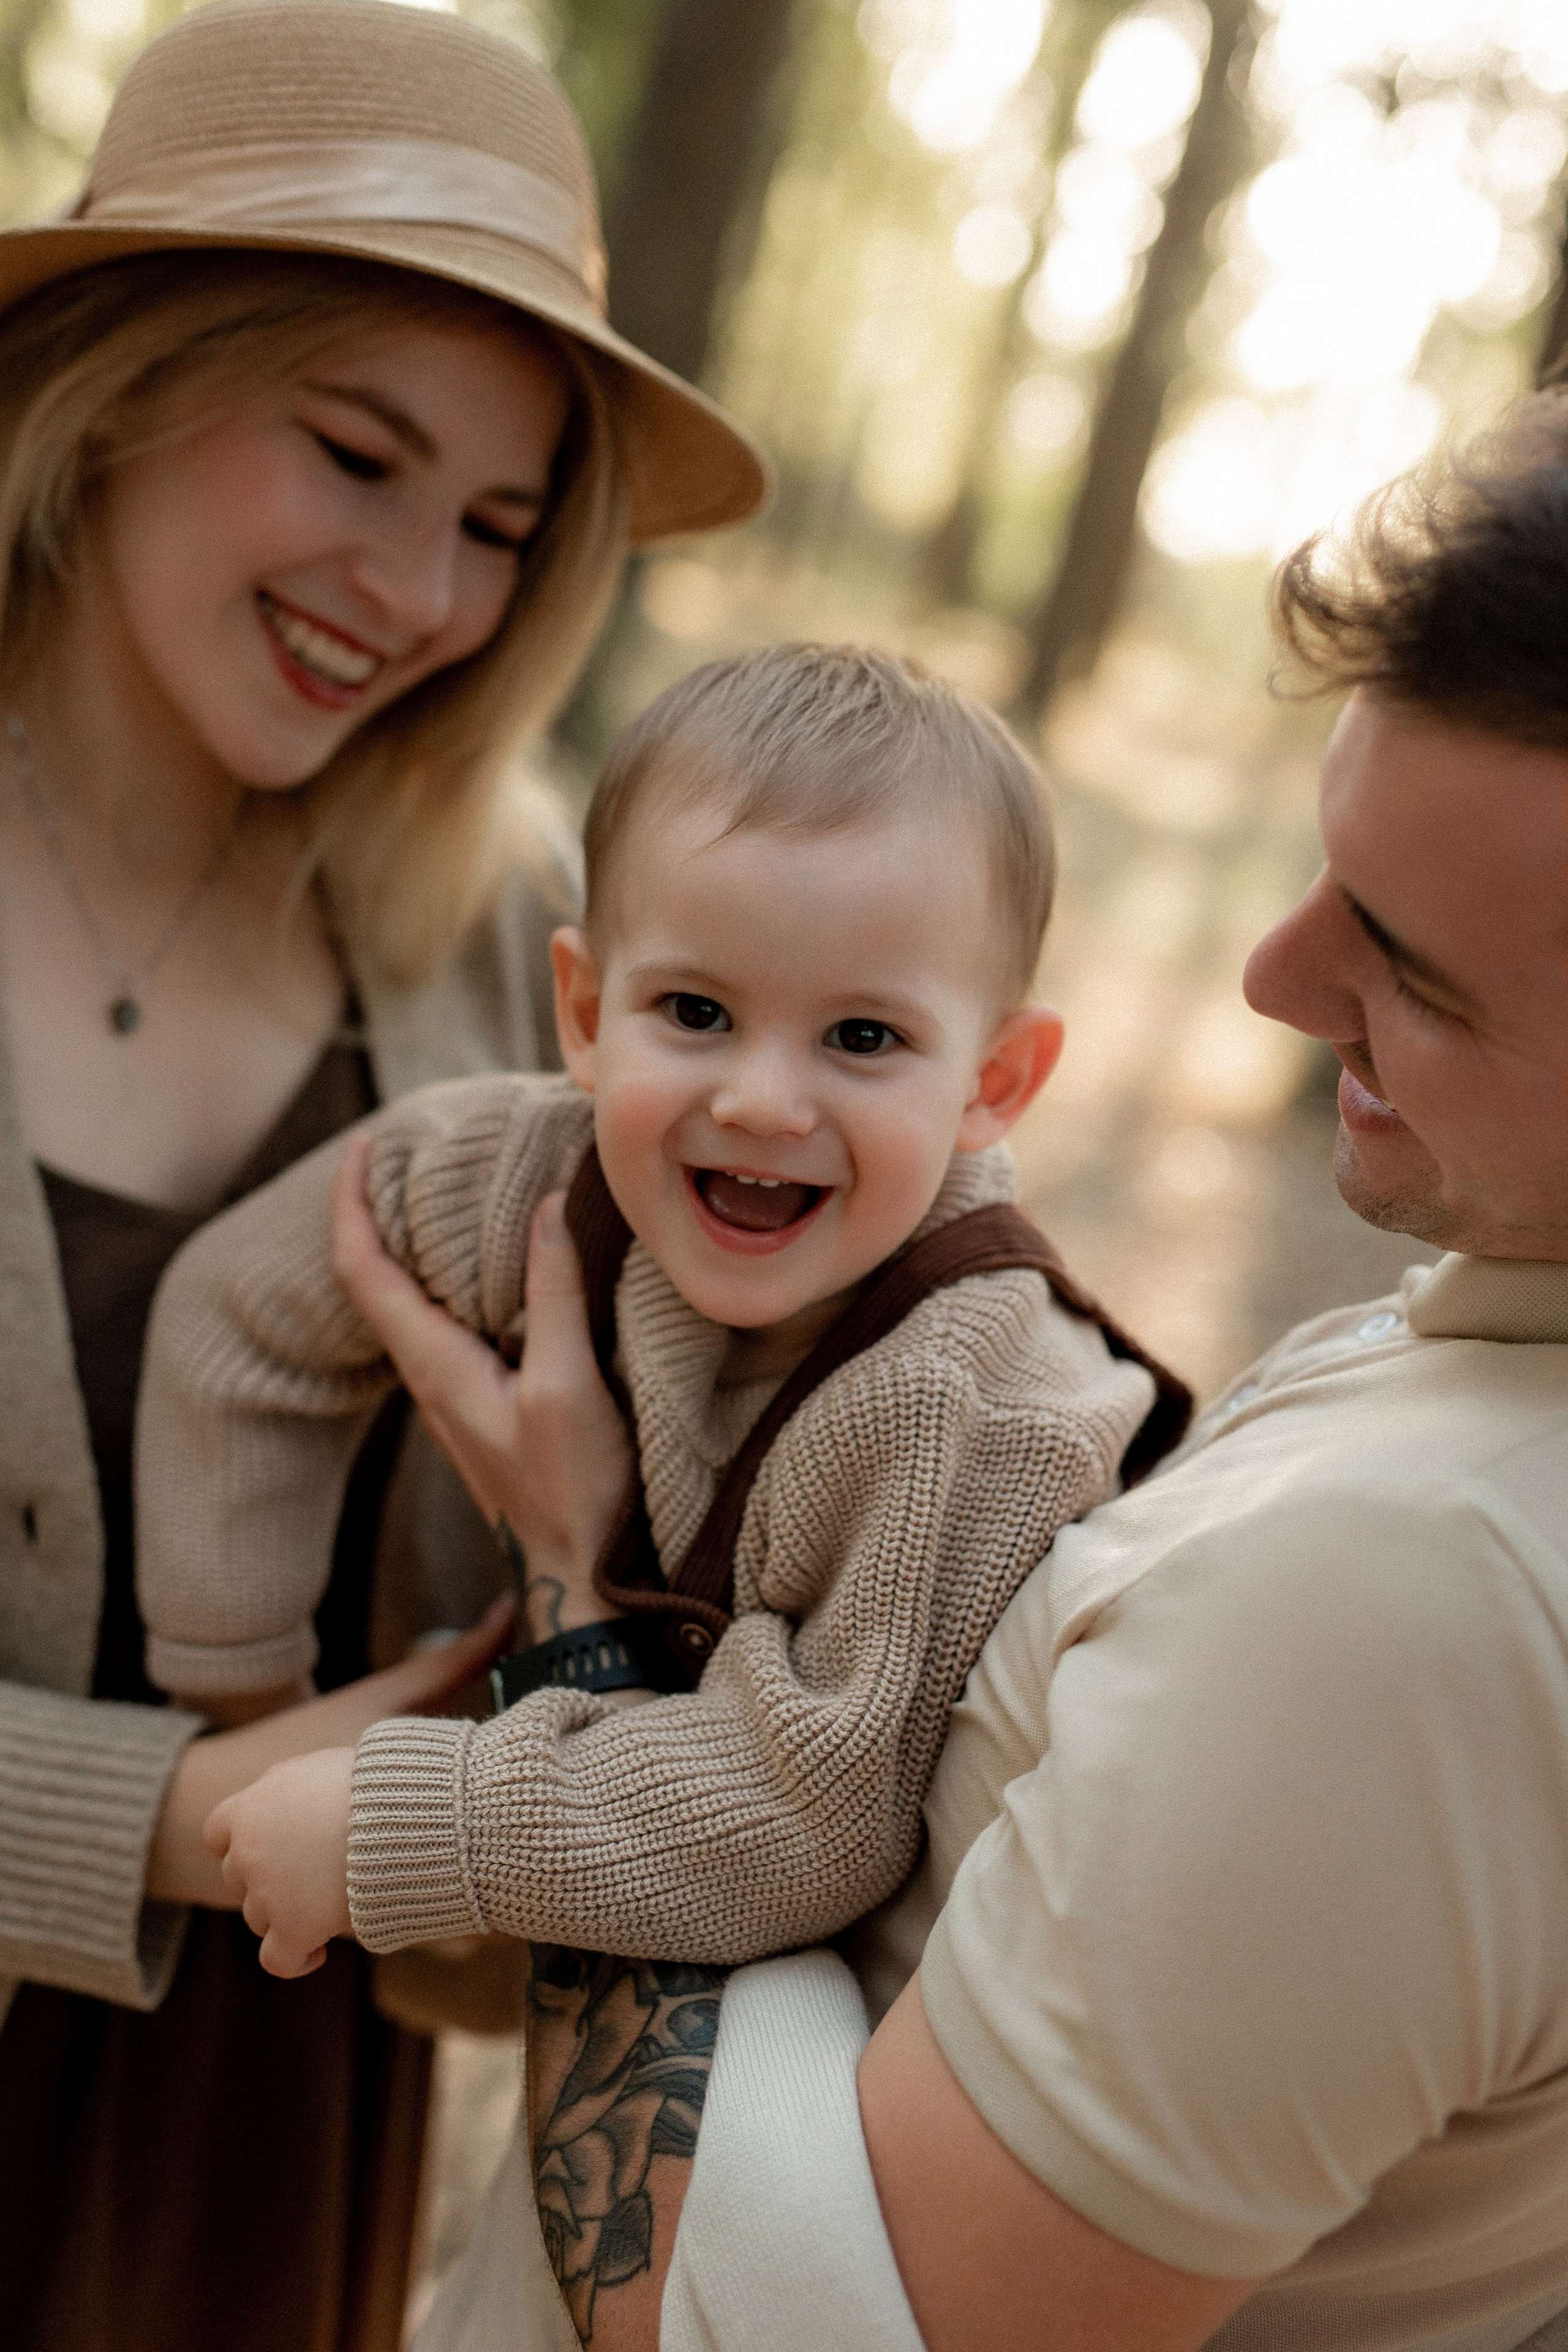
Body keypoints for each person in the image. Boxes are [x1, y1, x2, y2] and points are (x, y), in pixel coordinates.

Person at [332, 398, 1567, 2352]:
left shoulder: (1418, 1603)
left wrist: (581, 1604)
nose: (1269, 976)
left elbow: (750, 2319)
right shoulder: (1476, 1361)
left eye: (1413, 965)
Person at [0, 1, 765, 2345]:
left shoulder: (505, 938)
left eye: (501, 528)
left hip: (266, 2124)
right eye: (356, 454)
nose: (423, 594)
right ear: (129, 375)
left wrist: (587, 1547)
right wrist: (157, 1825)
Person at [139, 644, 1186, 2005]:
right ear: (583, 1012)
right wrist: (250, 1695)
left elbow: (804, 1819)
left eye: (861, 1039)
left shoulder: (959, 1398)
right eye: (694, 1012)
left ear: (993, 1081)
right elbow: (238, 1314)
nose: (760, 1100)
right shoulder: (522, 1175)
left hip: (921, 2054)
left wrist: (419, 1824)